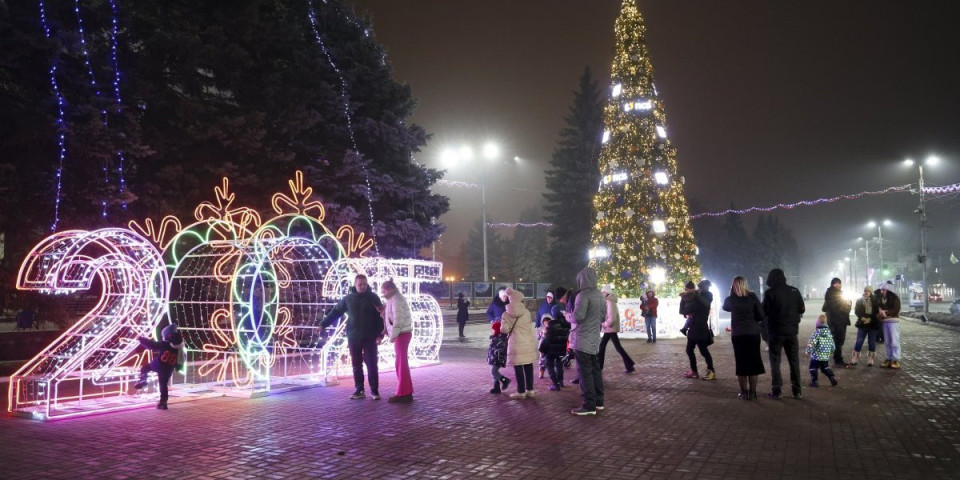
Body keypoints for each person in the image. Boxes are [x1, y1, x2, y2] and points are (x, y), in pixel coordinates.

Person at [320, 274, 384, 400]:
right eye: (360, 284)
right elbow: (336, 312)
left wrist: (380, 335)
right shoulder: (348, 299)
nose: (362, 286)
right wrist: (323, 324)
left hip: (370, 337)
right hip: (354, 337)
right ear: (355, 284)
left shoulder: (373, 298)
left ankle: (374, 391)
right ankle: (359, 390)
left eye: (364, 284)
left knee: (371, 364)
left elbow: (380, 317)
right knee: (356, 364)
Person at [762, 268, 806, 400]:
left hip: (776, 331)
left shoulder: (770, 293)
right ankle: (797, 391)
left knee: (775, 361)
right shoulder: (794, 291)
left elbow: (765, 311)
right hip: (792, 331)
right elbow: (802, 308)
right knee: (794, 361)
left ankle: (777, 390)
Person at [567, 267, 605, 415]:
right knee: (595, 370)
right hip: (595, 339)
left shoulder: (583, 295)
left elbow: (578, 316)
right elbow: (602, 317)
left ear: (581, 280)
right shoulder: (600, 295)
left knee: (585, 373)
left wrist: (567, 316)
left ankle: (588, 405)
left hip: (582, 339)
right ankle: (599, 401)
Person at [722, 276, 765, 400]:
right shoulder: (752, 297)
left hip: (738, 334)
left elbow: (725, 307)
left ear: (733, 285)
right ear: (746, 284)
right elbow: (761, 315)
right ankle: (753, 392)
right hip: (753, 333)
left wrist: (732, 293)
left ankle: (743, 392)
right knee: (753, 363)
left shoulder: (731, 299)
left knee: (741, 363)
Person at [134, 323, 184, 410]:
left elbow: (152, 345)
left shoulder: (164, 344)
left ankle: (143, 381)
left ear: (167, 335)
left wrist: (141, 339)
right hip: (168, 369)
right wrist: (178, 367)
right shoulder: (180, 347)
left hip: (159, 364)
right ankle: (163, 403)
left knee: (145, 368)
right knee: (163, 385)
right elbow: (182, 358)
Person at [500, 287, 537, 399]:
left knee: (518, 368)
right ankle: (530, 390)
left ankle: (521, 392)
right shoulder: (526, 313)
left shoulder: (506, 314)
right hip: (527, 343)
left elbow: (504, 330)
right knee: (528, 366)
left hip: (516, 344)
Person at [381, 280, 413, 403]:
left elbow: (398, 321)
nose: (382, 293)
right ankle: (405, 391)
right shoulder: (393, 299)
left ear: (389, 289)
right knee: (400, 363)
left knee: (401, 363)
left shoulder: (396, 300)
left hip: (402, 334)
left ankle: (404, 393)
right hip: (402, 333)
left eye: (383, 291)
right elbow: (391, 318)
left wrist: (392, 336)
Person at [680, 279, 716, 381]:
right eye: (700, 287)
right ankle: (694, 371)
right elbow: (684, 310)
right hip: (693, 326)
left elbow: (705, 303)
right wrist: (684, 298)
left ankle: (711, 371)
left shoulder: (708, 295)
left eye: (703, 287)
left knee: (703, 351)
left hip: (701, 327)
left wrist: (695, 295)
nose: (700, 289)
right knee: (689, 350)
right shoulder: (695, 295)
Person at [598, 285, 635, 373]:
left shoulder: (610, 302)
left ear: (607, 293)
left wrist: (604, 324)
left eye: (603, 292)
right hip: (609, 329)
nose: (601, 294)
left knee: (605, 347)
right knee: (611, 347)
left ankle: (599, 367)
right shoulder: (608, 301)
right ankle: (629, 365)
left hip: (610, 328)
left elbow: (612, 318)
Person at [821, 278, 852, 367]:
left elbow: (847, 303)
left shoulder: (837, 293)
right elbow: (837, 307)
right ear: (832, 284)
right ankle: (838, 360)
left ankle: (836, 358)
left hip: (840, 320)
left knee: (839, 340)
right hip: (837, 321)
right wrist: (845, 308)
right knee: (838, 340)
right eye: (836, 283)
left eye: (839, 283)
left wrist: (847, 306)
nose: (838, 285)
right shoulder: (831, 293)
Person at [805, 314, 839, 387]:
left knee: (813, 368)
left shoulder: (816, 333)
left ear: (817, 323)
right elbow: (833, 345)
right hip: (825, 356)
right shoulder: (829, 334)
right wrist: (830, 352)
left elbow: (811, 343)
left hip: (816, 356)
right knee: (825, 368)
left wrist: (808, 351)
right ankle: (832, 377)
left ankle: (815, 381)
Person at [539, 313, 570, 391]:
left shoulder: (551, 324)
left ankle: (555, 384)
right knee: (559, 365)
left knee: (550, 366)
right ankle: (561, 381)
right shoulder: (566, 324)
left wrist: (542, 349)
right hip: (561, 349)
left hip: (551, 350)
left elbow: (547, 339)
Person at [875, 281, 902, 369]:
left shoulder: (894, 298)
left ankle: (895, 359)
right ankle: (888, 358)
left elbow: (896, 309)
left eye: (884, 290)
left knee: (894, 341)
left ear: (888, 290)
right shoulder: (880, 299)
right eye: (881, 289)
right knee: (887, 342)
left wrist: (885, 312)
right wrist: (879, 314)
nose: (882, 291)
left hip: (893, 322)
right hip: (885, 322)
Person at [851, 286, 880, 366]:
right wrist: (863, 318)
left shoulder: (875, 301)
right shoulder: (859, 300)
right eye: (865, 291)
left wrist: (870, 319)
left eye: (868, 291)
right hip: (862, 324)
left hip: (873, 324)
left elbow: (877, 312)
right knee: (859, 341)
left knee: (871, 342)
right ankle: (855, 357)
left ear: (871, 292)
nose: (866, 292)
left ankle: (870, 358)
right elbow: (857, 311)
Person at [487, 321, 510, 393]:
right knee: (493, 372)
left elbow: (500, 348)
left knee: (494, 371)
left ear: (497, 330)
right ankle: (496, 387)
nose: (492, 331)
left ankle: (505, 380)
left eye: (493, 329)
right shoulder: (494, 337)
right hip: (492, 357)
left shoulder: (501, 338)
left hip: (498, 358)